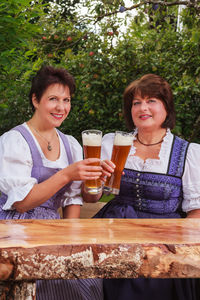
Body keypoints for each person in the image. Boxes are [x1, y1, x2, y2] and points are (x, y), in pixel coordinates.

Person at [0, 65, 113, 300]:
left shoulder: (71, 144)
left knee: (85, 280)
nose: (61, 107)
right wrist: (67, 174)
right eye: (53, 99)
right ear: (35, 100)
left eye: (67, 100)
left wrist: (68, 241)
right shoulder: (14, 141)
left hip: (55, 231)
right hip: (13, 230)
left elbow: (78, 198)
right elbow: (21, 203)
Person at [83, 74, 200, 300]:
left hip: (164, 240)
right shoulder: (112, 143)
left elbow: (196, 213)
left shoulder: (188, 153)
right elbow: (92, 198)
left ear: (166, 107)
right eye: (136, 103)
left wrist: (173, 249)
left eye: (151, 101)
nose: (142, 107)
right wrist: (96, 182)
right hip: (113, 233)